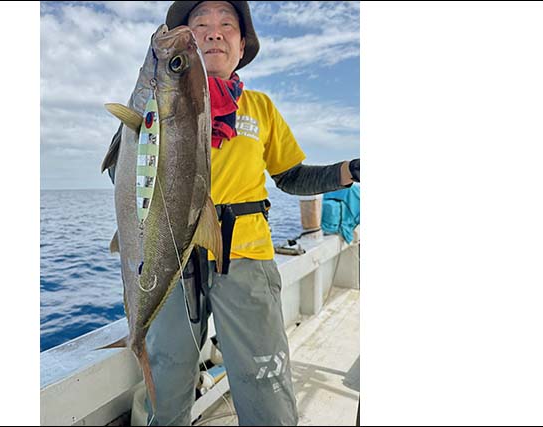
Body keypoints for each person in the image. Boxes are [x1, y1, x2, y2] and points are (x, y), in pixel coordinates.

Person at [107, 1, 360, 425]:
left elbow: (291, 176)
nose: (214, 32)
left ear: (242, 46)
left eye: (227, 24)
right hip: (172, 258)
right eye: (201, 24)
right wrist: (140, 123)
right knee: (166, 381)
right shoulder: (155, 106)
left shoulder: (260, 108)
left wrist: (346, 171)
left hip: (245, 255)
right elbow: (123, 174)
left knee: (265, 381)